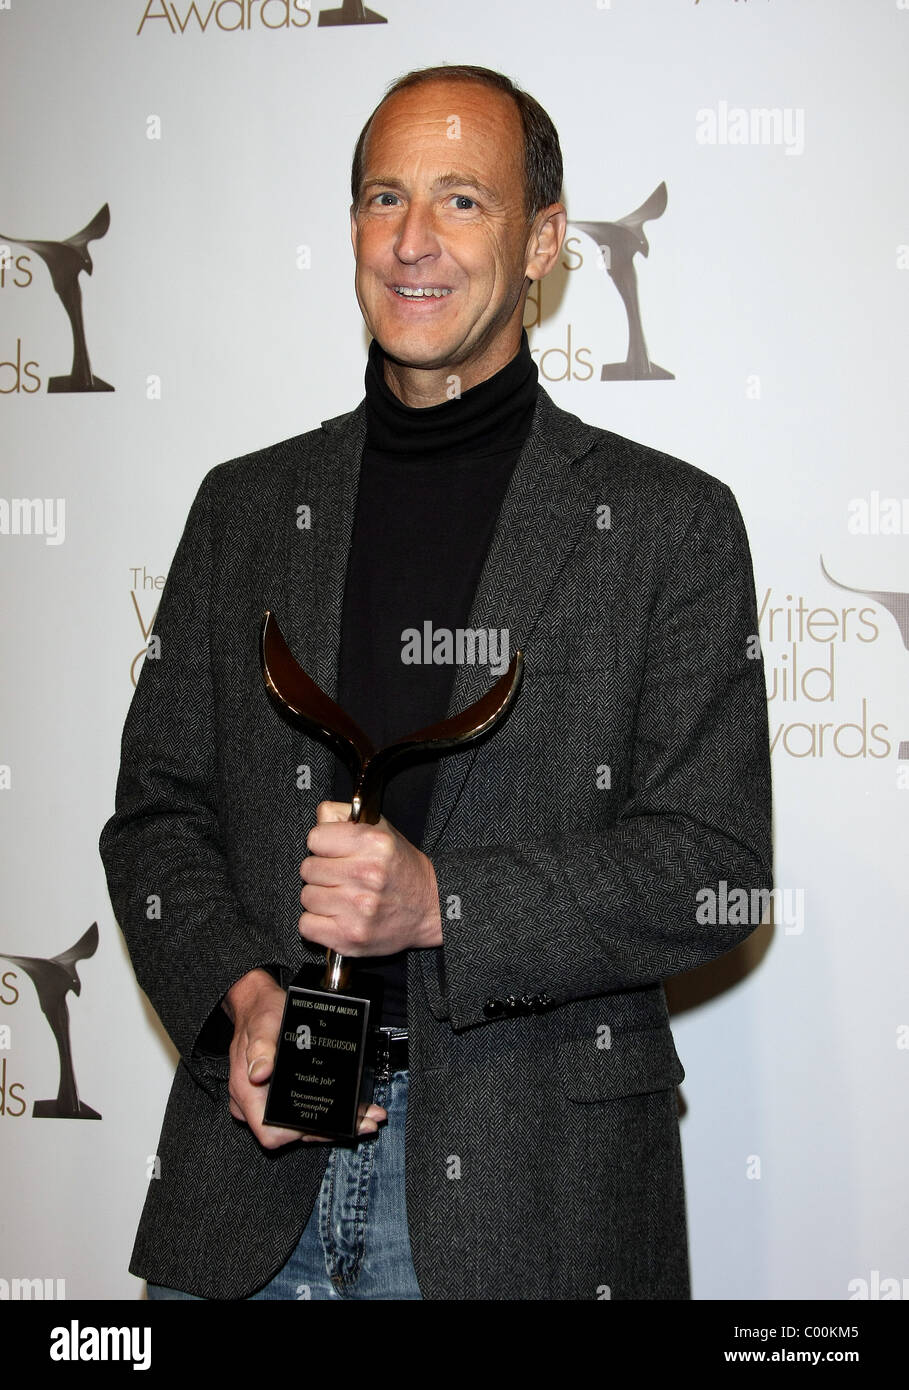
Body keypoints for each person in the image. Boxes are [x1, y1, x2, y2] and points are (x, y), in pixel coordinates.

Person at [99, 63, 772, 1301]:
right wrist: (239, 998)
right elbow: (155, 820)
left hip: (535, 1198)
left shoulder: (671, 524)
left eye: (463, 200)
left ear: (544, 243)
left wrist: (441, 904)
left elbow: (713, 870)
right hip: (249, 1183)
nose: (413, 240)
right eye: (382, 197)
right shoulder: (243, 509)